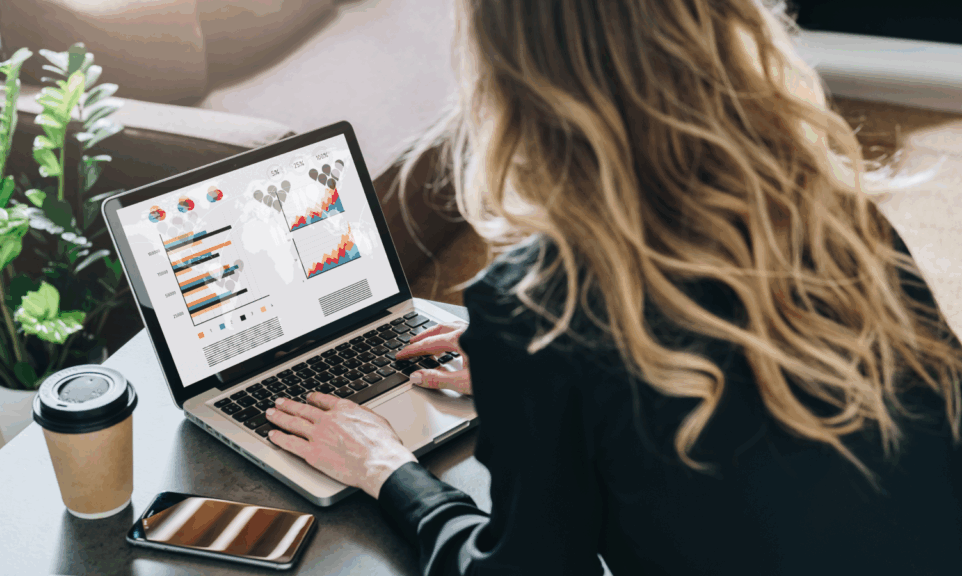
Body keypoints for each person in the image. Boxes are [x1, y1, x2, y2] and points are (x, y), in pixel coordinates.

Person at [263, 0, 962, 573]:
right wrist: (536, 384)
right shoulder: (837, 214)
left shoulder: (536, 307)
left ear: (514, 81)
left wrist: (390, 470)